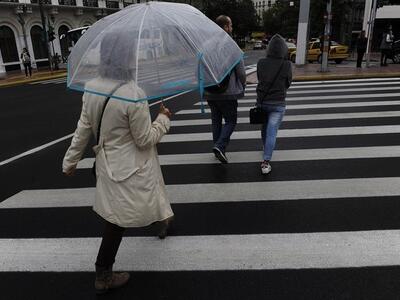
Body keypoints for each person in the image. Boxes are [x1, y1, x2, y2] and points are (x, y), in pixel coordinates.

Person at [62, 32, 174, 294]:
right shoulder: (133, 93)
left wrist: (70, 161)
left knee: (139, 200)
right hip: (131, 167)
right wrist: (163, 119)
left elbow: (83, 129)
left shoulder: (91, 87)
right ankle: (103, 273)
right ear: (127, 57)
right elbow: (145, 139)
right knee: (117, 220)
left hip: (106, 163)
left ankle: (162, 220)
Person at [204, 15, 246, 164]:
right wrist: (243, 86)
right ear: (225, 27)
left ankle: (217, 148)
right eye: (231, 25)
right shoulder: (231, 45)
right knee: (231, 120)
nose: (232, 28)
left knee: (216, 121)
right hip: (227, 92)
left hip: (209, 91)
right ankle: (220, 146)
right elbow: (241, 72)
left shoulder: (206, 45)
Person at [256, 34, 292, 175]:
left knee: (264, 128)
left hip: (263, 102)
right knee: (272, 132)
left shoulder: (261, 62)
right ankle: (266, 161)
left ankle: (265, 148)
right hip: (278, 103)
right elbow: (288, 83)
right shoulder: (287, 64)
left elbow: (260, 79)